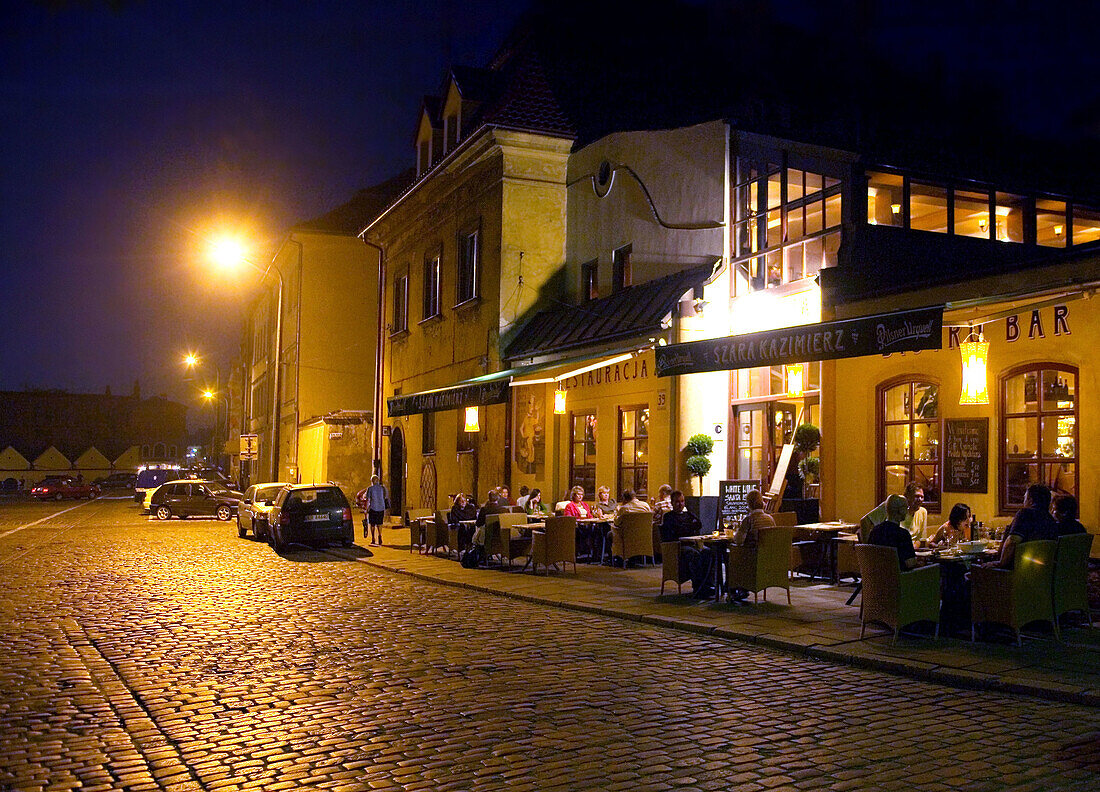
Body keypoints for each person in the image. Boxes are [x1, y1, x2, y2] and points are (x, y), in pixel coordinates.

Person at [985, 484, 1059, 570]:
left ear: (1030, 501)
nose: (1023, 502)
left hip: (1015, 573)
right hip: (1040, 573)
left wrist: (1000, 563)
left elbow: (1012, 541)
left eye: (1025, 498)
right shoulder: (1052, 521)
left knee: (973, 572)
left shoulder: (1025, 514)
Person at [727, 489, 777, 600]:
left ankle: (733, 589)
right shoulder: (770, 519)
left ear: (748, 504)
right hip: (768, 559)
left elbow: (739, 541)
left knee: (730, 556)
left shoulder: (749, 520)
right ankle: (742, 589)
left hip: (752, 560)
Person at [868, 494, 926, 570]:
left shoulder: (874, 531)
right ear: (900, 511)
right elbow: (910, 563)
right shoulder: (903, 535)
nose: (907, 511)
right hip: (899, 578)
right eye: (906, 508)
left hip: (878, 577)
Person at [860, 482, 929, 544]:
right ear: (907, 497)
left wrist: (911, 548)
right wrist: (867, 546)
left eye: (922, 497)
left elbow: (920, 540)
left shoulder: (922, 512)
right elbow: (864, 521)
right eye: (916, 496)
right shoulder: (893, 504)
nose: (920, 500)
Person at [360, 475, 389, 545]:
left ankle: (373, 538)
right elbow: (385, 497)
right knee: (380, 523)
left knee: (372, 523)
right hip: (381, 508)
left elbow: (368, 500)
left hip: (373, 508)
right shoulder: (383, 488)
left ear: (372, 481)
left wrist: (366, 510)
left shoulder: (370, 489)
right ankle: (380, 535)